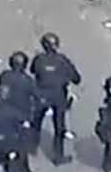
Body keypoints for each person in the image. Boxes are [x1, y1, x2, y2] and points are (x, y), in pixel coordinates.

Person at [30, 32, 81, 165]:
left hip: (41, 95)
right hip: (58, 96)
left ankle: (32, 147)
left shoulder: (39, 59)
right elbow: (76, 78)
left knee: (36, 122)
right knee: (59, 127)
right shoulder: (62, 61)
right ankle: (58, 156)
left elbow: (33, 71)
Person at [0, 51, 40, 172]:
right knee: (22, 145)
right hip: (21, 116)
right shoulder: (27, 80)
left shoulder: (4, 76)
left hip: (5, 113)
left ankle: (4, 158)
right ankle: (23, 170)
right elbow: (36, 96)